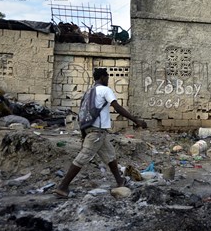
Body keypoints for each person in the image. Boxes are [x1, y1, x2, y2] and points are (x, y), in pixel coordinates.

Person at [53, 68, 147, 198]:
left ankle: (120, 181)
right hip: (97, 132)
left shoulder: (88, 92)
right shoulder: (105, 90)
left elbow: (82, 114)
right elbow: (117, 107)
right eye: (107, 77)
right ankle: (63, 187)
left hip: (95, 131)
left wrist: (83, 135)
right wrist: (136, 121)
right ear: (103, 77)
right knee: (83, 157)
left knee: (110, 156)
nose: (108, 80)